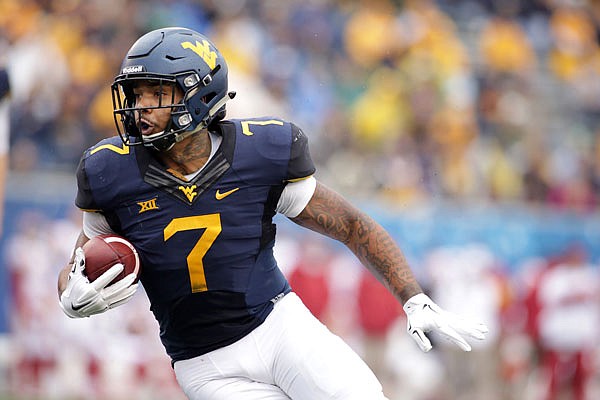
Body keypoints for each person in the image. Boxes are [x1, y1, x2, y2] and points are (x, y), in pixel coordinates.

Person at [57, 27, 488, 400]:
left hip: (279, 329)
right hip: (205, 364)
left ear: (198, 93)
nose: (142, 108)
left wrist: (412, 297)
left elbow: (353, 227)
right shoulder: (109, 172)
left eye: (157, 93)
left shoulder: (260, 153)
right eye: (137, 94)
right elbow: (79, 262)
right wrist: (70, 295)